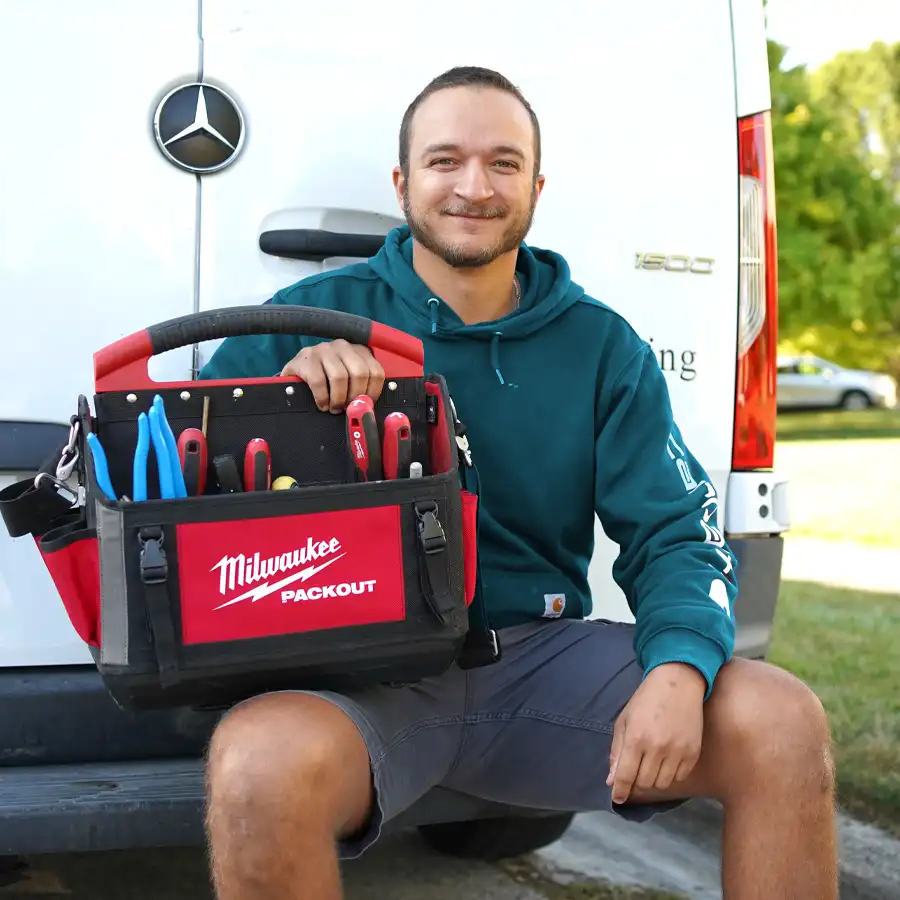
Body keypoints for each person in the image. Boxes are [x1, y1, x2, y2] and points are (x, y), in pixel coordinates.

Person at [199, 66, 838, 900]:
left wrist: (680, 667)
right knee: (255, 763)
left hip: (538, 665)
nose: (474, 186)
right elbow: (182, 498)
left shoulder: (602, 345)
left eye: (503, 163)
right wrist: (284, 403)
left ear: (536, 187)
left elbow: (678, 535)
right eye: (445, 161)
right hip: (356, 683)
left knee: (783, 723)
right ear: (403, 184)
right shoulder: (305, 320)